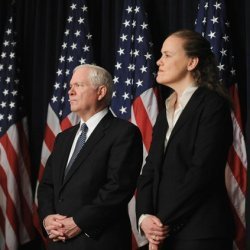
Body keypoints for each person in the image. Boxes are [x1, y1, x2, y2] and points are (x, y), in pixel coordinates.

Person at [136, 30, 235, 250]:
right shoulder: (166, 111)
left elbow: (202, 172)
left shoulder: (213, 105)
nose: (159, 61)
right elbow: (150, 169)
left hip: (200, 234)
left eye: (167, 55)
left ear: (191, 62)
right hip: (163, 234)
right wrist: (145, 217)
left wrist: (160, 223)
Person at [38, 64, 143, 250]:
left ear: (101, 91)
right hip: (59, 241)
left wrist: (79, 222)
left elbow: (118, 187)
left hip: (98, 241)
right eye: (70, 86)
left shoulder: (124, 132)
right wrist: (47, 219)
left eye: (78, 85)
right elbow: (47, 185)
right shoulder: (64, 138)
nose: (70, 92)